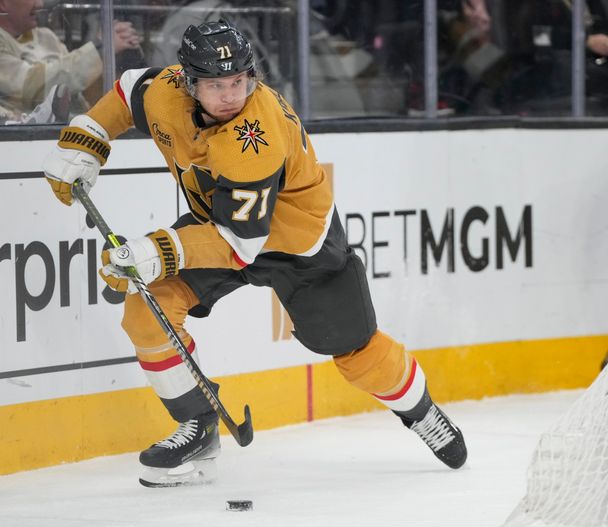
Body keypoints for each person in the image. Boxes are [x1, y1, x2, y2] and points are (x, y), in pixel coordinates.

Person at [42, 20, 467, 487]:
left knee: (356, 353)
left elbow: (241, 244)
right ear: (187, 81)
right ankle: (198, 430)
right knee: (148, 308)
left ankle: (421, 412)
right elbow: (126, 92)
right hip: (219, 224)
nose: (231, 95)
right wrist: (88, 137)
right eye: (217, 85)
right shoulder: (165, 92)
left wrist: (158, 250)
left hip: (299, 244)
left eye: (240, 82)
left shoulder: (255, 138)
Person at [0, 0, 141, 118]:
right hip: (30, 147)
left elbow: (77, 91)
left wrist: (119, 57)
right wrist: (102, 49)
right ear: (2, 3)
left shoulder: (45, 36)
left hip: (76, 134)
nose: (40, 4)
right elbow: (36, 89)